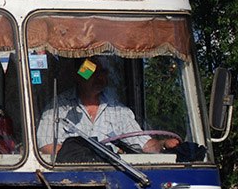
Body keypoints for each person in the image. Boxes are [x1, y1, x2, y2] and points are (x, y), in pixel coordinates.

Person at [36, 56, 180, 155]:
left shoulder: (118, 110)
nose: (99, 77)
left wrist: (163, 144)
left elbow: (143, 144)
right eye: (92, 71)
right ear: (78, 75)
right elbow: (47, 145)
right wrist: (83, 156)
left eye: (103, 72)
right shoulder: (58, 107)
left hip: (112, 177)